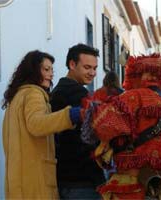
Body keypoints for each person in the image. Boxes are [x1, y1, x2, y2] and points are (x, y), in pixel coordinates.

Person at [81, 54, 161, 199]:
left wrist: (92, 110)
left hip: (132, 184)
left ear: (136, 75)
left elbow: (104, 127)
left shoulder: (131, 97)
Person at [2, 50, 81, 199]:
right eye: (46, 69)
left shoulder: (16, 98)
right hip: (36, 183)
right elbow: (37, 124)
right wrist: (70, 115)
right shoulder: (34, 94)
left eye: (52, 70)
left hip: (19, 183)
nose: (51, 74)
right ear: (33, 70)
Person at [50, 43, 105, 199]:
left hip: (67, 178)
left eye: (95, 68)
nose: (92, 73)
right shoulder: (75, 92)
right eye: (87, 67)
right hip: (81, 179)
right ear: (72, 64)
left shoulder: (60, 90)